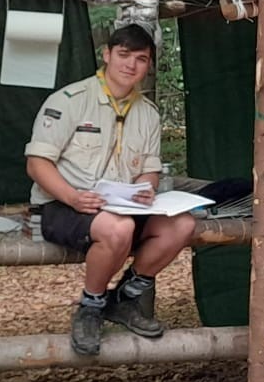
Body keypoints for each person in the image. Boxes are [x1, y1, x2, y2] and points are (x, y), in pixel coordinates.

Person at [26, 24, 197, 357]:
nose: (130, 65)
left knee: (182, 224)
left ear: (148, 66)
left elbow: (149, 168)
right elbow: (37, 164)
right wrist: (73, 196)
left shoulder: (147, 114)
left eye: (141, 59)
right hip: (66, 205)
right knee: (119, 228)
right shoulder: (69, 100)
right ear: (106, 55)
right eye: (123, 55)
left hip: (123, 206)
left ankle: (126, 297)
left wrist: (146, 189)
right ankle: (90, 307)